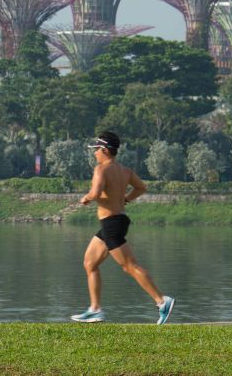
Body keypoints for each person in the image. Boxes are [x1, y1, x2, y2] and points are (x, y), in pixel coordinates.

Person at [70, 131, 175, 325]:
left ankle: (162, 301)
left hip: (111, 224)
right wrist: (125, 198)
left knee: (130, 266)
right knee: (89, 263)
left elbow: (96, 191)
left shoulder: (101, 169)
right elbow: (142, 187)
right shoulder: (124, 171)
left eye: (96, 150)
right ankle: (95, 309)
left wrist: (86, 197)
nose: (94, 154)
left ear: (104, 150)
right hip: (115, 221)